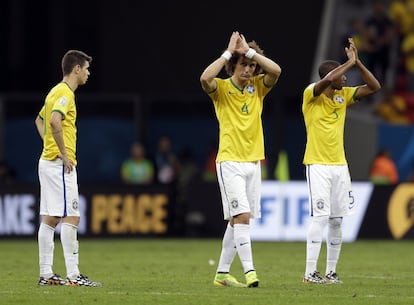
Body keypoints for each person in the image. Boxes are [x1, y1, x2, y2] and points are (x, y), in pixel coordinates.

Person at [200, 31, 282, 288]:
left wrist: (250, 52)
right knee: (243, 216)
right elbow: (205, 77)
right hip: (230, 161)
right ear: (232, 66)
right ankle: (250, 272)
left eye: (251, 66)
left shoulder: (257, 88)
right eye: (244, 65)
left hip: (253, 162)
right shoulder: (222, 89)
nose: (249, 69)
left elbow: (277, 71)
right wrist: (228, 52)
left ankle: (222, 274)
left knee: (237, 220)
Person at [302, 37, 381, 284]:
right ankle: (309, 273)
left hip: (340, 166)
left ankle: (331, 272)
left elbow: (375, 87)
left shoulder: (342, 96)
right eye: (342, 74)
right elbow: (323, 82)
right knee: (320, 217)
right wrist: (347, 64)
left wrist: (357, 64)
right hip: (317, 164)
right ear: (331, 76)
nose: (346, 78)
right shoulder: (310, 95)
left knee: (337, 220)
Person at [35, 50, 101, 287]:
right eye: (86, 68)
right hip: (58, 164)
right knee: (72, 216)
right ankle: (74, 276)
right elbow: (53, 121)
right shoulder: (65, 93)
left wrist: (49, 145)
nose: (88, 73)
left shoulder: (54, 91)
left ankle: (46, 274)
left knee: (51, 217)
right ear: (76, 69)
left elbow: (39, 120)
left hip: (47, 161)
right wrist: (62, 153)